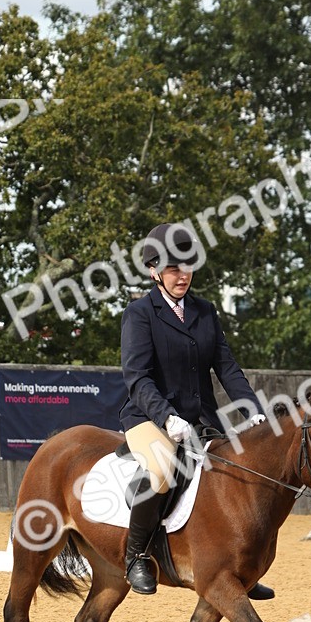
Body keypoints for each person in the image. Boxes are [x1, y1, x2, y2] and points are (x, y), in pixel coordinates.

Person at [119, 221, 269, 596]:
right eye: (173, 268)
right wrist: (166, 416)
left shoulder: (205, 311)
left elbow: (226, 367)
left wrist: (252, 409)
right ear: (154, 270)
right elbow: (137, 378)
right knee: (163, 467)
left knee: (236, 473)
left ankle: (233, 565)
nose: (182, 275)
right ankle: (136, 555)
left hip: (202, 420)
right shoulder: (140, 313)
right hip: (148, 417)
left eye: (187, 266)